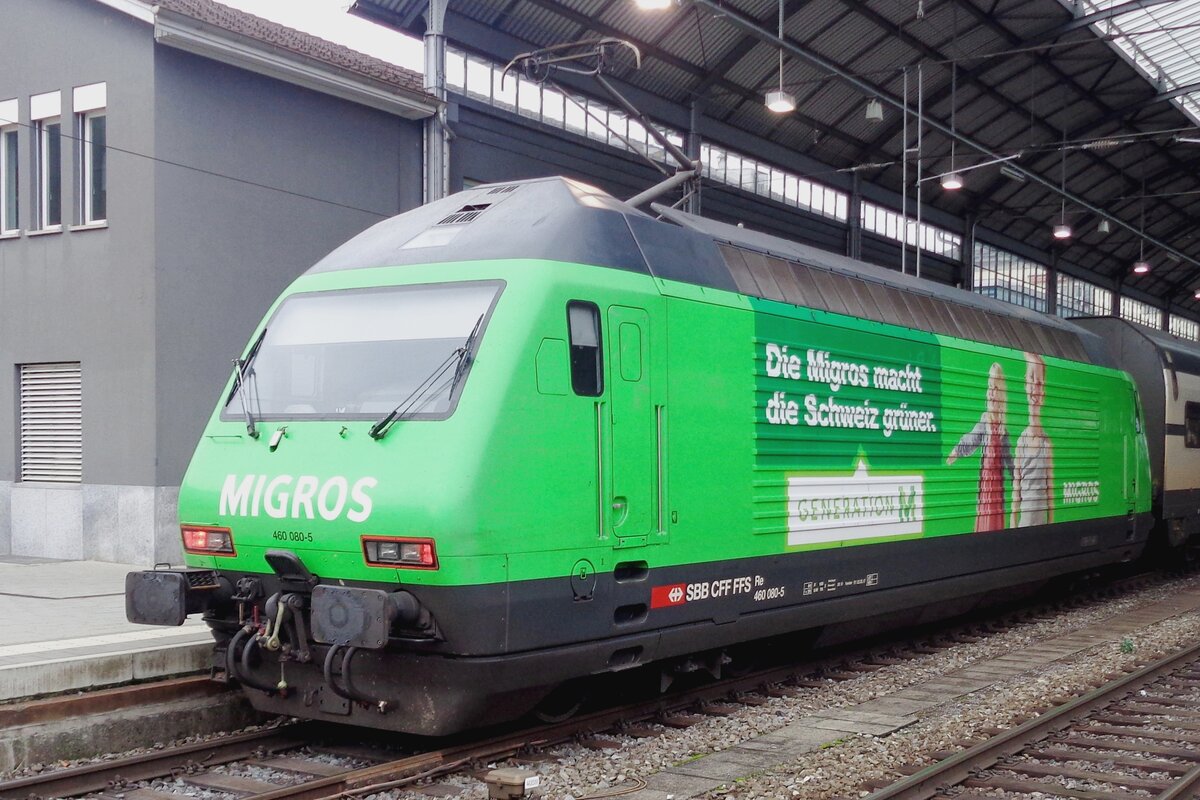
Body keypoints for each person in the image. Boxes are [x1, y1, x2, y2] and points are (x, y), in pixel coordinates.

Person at [947, 363, 1013, 532]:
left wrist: (1017, 478)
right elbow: (972, 439)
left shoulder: (1003, 429)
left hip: (997, 488)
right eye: (990, 387)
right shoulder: (986, 420)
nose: (991, 392)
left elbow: (1009, 461)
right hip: (987, 485)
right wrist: (957, 450)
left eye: (996, 388)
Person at [1011, 352, 1054, 527]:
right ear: (1025, 384)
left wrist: (1052, 523)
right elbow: (1016, 487)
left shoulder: (1046, 443)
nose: (1035, 387)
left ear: (1043, 390)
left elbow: (1050, 489)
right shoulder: (1021, 442)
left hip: (1042, 521)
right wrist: (1013, 523)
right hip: (1025, 521)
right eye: (1031, 379)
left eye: (1039, 383)